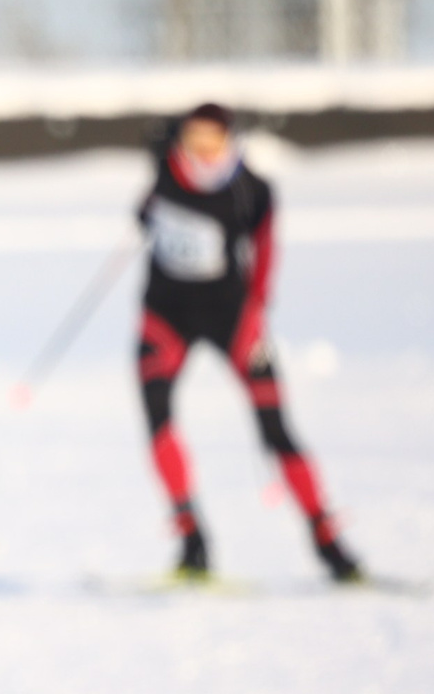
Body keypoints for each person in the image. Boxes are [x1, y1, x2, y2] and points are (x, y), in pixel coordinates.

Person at [136, 102, 361, 584]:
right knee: (158, 418)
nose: (203, 150)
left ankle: (330, 546)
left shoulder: (250, 189)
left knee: (275, 429)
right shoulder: (164, 172)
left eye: (213, 140)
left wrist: (256, 315)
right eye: (194, 139)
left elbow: (264, 254)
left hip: (232, 319)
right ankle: (192, 541)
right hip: (164, 318)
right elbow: (143, 209)